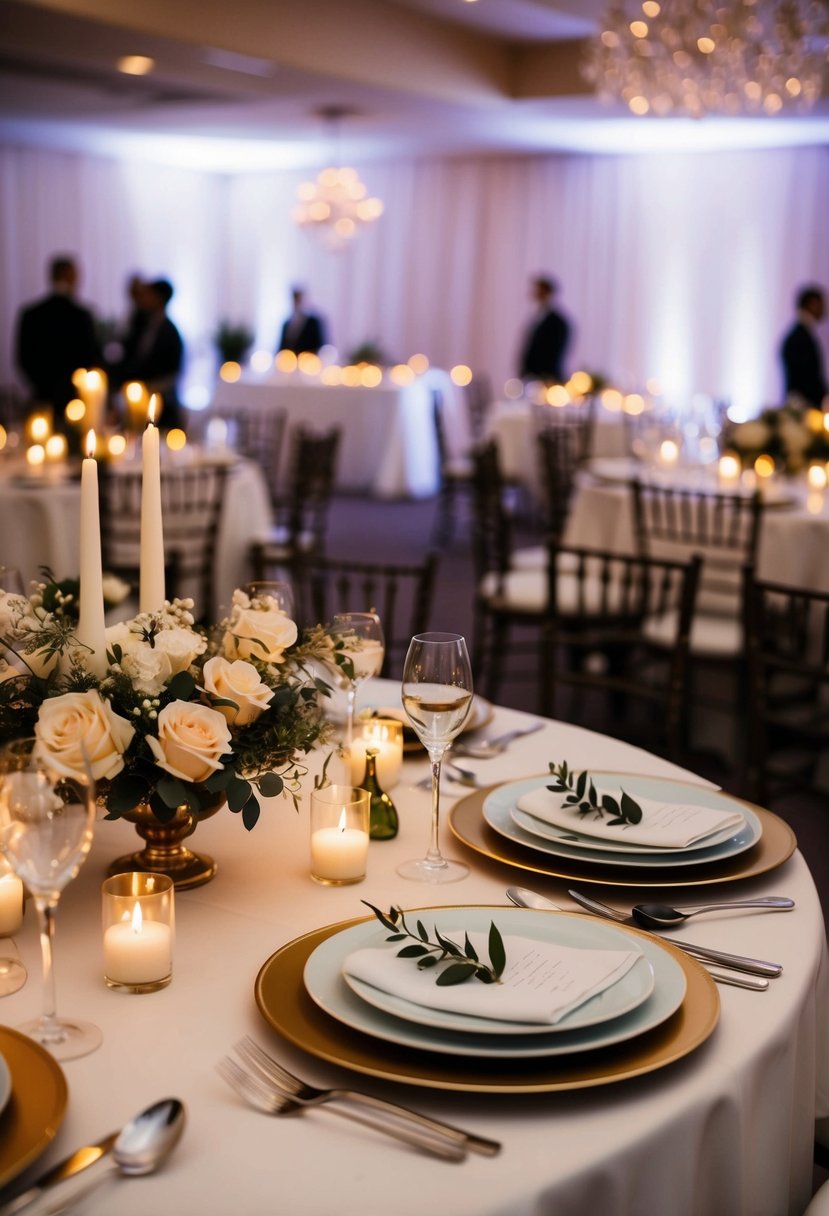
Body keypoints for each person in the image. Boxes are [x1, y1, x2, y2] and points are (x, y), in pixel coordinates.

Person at [15, 254, 102, 415]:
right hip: (75, 399)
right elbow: (91, 356)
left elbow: (23, 357)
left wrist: (41, 384)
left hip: (42, 395)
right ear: (70, 276)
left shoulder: (31, 314)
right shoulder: (82, 315)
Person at [114, 278, 185, 430]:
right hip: (135, 399)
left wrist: (149, 389)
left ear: (159, 298)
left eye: (149, 294)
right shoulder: (141, 324)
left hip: (160, 404)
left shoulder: (171, 332)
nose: (144, 298)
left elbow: (173, 372)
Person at [780, 285, 827, 409]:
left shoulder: (800, 334)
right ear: (813, 304)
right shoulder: (800, 337)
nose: (825, 309)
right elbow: (807, 378)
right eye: (822, 304)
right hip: (803, 408)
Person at [518, 275, 571, 383]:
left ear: (547, 292)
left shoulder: (558, 321)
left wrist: (545, 376)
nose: (534, 292)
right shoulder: (539, 315)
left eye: (538, 290)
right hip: (532, 376)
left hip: (546, 378)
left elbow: (555, 352)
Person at [278, 287, 326, 355]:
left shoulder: (313, 323)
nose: (296, 303)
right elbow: (281, 348)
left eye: (298, 299)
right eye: (295, 300)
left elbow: (319, 345)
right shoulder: (286, 324)